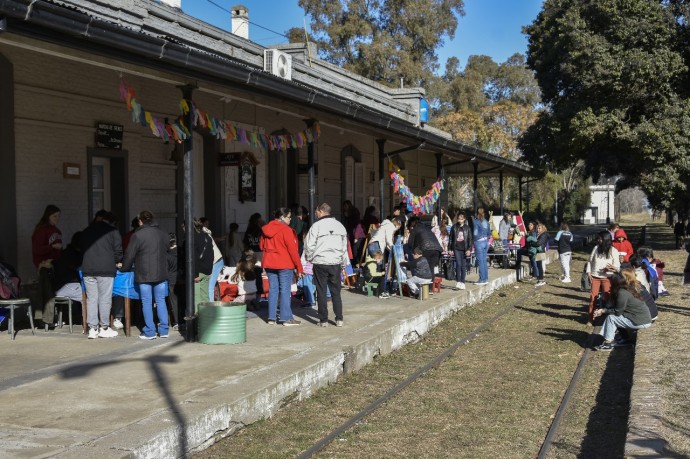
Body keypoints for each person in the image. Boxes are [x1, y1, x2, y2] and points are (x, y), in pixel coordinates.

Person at [121, 210, 170, 340]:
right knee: (160, 301)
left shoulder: (138, 235)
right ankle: (164, 330)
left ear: (140, 221)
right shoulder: (163, 234)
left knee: (146, 302)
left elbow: (129, 255)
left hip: (144, 274)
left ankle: (150, 331)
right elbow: (169, 251)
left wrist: (124, 268)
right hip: (161, 273)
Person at [305, 202, 349, 327]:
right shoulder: (340, 226)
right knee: (336, 291)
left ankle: (323, 320)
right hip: (335, 262)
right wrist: (342, 261)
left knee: (321, 291)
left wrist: (310, 257)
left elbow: (309, 244)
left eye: (316, 211)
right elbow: (344, 246)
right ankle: (339, 318)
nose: (315, 214)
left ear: (321, 211)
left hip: (320, 262)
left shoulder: (316, 226)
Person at [80, 210, 123, 339]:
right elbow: (118, 251)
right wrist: (115, 261)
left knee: (91, 299)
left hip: (88, 269)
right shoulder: (112, 231)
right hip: (106, 269)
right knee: (105, 298)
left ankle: (93, 329)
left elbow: (81, 249)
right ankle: (104, 327)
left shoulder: (86, 230)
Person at [260, 207, 303, 326]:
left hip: (269, 262)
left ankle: (271, 318)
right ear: (283, 217)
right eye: (289, 217)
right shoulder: (286, 230)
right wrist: (299, 267)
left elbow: (261, 246)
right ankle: (286, 318)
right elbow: (293, 251)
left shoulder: (266, 229)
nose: (290, 220)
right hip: (284, 263)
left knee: (273, 289)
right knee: (285, 290)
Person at [592, 272, 652, 351]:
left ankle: (608, 344)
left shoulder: (622, 293)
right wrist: (604, 310)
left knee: (611, 318)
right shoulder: (628, 288)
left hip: (641, 321)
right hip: (642, 318)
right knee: (615, 317)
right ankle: (624, 339)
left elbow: (618, 311)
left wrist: (603, 311)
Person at [31, 204, 63, 329]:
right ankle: (44, 319)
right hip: (45, 265)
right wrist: (52, 247)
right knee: (46, 293)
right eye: (54, 216)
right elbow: (37, 249)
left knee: (51, 292)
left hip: (55, 264)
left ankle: (49, 318)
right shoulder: (41, 231)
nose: (57, 218)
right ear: (48, 216)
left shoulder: (57, 231)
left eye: (58, 216)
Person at [585, 231, 621, 324]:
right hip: (595, 276)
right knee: (593, 298)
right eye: (598, 238)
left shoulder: (613, 250)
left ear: (606, 239)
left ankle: (608, 318)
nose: (598, 240)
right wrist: (588, 272)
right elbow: (590, 261)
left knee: (608, 298)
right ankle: (590, 318)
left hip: (607, 277)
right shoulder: (596, 248)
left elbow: (617, 267)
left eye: (600, 238)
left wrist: (611, 268)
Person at [448, 212, 473, 290]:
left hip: (464, 249)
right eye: (459, 219)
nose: (460, 220)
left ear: (464, 219)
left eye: (461, 219)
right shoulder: (454, 227)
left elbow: (470, 240)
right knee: (458, 264)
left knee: (463, 266)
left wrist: (469, 249)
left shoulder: (467, 228)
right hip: (456, 248)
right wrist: (449, 249)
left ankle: (463, 282)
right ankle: (458, 281)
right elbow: (451, 239)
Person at [472, 207, 492, 286]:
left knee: (480, 261)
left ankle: (481, 279)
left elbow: (475, 233)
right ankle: (485, 278)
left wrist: (474, 240)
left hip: (479, 242)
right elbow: (489, 233)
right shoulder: (486, 222)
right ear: (484, 213)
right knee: (484, 261)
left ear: (477, 213)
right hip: (485, 242)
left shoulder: (475, 222)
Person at [166, 233, 180, 330]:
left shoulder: (167, 255)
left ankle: (176, 322)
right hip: (182, 279)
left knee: (173, 301)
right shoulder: (182, 252)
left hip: (171, 279)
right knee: (183, 301)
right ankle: (183, 320)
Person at [533, 223, 550, 287]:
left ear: (543, 229)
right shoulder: (540, 235)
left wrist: (533, 243)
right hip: (539, 251)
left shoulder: (543, 235)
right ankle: (540, 279)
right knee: (539, 265)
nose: (538, 229)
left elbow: (539, 243)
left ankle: (541, 280)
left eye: (539, 228)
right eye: (537, 228)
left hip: (540, 251)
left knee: (539, 266)